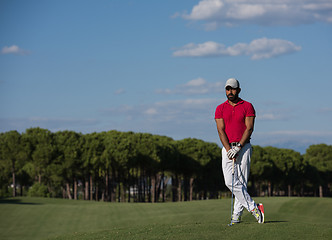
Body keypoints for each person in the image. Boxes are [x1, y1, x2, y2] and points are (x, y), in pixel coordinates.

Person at [215, 78, 264, 224]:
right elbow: (220, 130)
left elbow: (249, 128)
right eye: (227, 89)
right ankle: (254, 208)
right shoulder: (220, 108)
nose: (230, 92)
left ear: (239, 90)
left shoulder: (247, 106)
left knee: (241, 182)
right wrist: (229, 149)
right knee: (229, 181)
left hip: (244, 147)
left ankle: (236, 215)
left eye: (233, 89)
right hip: (227, 148)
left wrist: (238, 147)